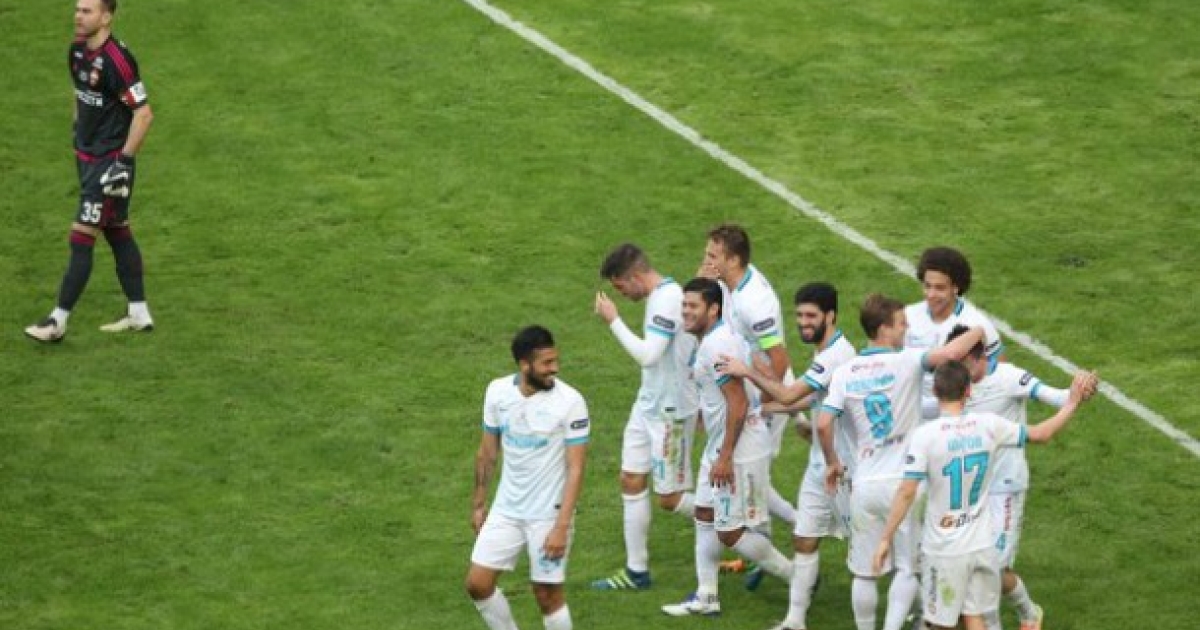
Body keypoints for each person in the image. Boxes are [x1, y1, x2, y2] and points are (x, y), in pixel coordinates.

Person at [872, 362, 1091, 630]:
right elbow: (1042, 434)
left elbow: (907, 492)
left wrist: (885, 538)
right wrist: (1071, 403)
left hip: (944, 548)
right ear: (968, 391)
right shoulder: (989, 425)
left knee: (937, 624)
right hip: (981, 545)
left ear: (936, 392)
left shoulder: (925, 436)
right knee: (975, 617)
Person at [816, 294, 987, 630]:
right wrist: (980, 330)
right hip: (905, 483)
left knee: (865, 572)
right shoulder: (907, 361)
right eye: (900, 324)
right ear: (884, 329)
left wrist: (833, 462)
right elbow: (952, 354)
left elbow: (823, 424)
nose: (906, 328)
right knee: (908, 568)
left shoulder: (845, 373)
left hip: (865, 483)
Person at [719, 282, 857, 630]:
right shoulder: (827, 352)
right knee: (804, 538)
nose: (803, 322)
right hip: (820, 464)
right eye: (799, 315)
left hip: (844, 468)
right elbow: (808, 399)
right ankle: (794, 621)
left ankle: (927, 603)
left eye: (811, 316)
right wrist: (760, 409)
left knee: (870, 550)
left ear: (831, 316)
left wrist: (747, 371)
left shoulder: (836, 355)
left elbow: (790, 393)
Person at [945, 325, 1098, 630]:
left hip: (1005, 486)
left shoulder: (1009, 377)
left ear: (978, 357)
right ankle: (1027, 613)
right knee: (977, 567)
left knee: (992, 569)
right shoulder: (955, 386)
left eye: (960, 361)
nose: (955, 369)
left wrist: (1080, 389)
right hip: (969, 490)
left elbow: (1057, 397)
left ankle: (1025, 616)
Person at [661, 278, 794, 617]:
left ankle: (798, 577)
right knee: (704, 514)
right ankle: (707, 597)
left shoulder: (716, 345)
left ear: (713, 309)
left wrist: (725, 456)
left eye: (693, 306)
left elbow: (738, 403)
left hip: (740, 448)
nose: (685, 312)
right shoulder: (716, 338)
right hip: (722, 443)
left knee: (731, 532)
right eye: (684, 305)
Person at [26, 0, 155, 343]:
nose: (78, 16)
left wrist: (123, 163)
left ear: (106, 16)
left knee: (81, 237)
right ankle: (139, 313)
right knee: (116, 230)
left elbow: (144, 114)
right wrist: (77, 130)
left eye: (87, 11)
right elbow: (80, 92)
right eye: (77, 9)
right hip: (86, 157)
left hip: (109, 163)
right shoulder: (77, 51)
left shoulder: (118, 61)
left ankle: (57, 321)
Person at [465, 326, 590, 630]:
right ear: (524, 365)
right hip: (506, 510)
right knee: (478, 584)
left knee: (547, 594)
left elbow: (576, 468)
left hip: (548, 516)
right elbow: (487, 452)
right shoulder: (497, 393)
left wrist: (561, 527)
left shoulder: (570, 402)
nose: (554, 368)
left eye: (555, 360)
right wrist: (479, 503)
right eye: (546, 363)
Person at [590, 243, 698, 591]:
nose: (621, 294)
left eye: (621, 286)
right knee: (630, 479)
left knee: (670, 498)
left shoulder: (667, 300)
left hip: (671, 413)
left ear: (635, 276)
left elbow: (649, 355)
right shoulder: (658, 297)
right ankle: (637, 572)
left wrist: (613, 320)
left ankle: (737, 524)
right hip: (648, 403)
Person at [700, 223, 797, 527]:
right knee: (751, 478)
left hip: (768, 389)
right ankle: (791, 526)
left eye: (712, 256)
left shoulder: (754, 303)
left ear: (733, 260)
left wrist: (763, 404)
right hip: (750, 383)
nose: (706, 261)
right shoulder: (730, 282)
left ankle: (794, 528)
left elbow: (779, 358)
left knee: (752, 476)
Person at [903, 247, 1001, 418]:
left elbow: (999, 376)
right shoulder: (907, 317)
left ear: (956, 287)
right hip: (914, 417)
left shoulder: (977, 324)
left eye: (939, 288)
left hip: (958, 419)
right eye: (927, 286)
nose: (931, 294)